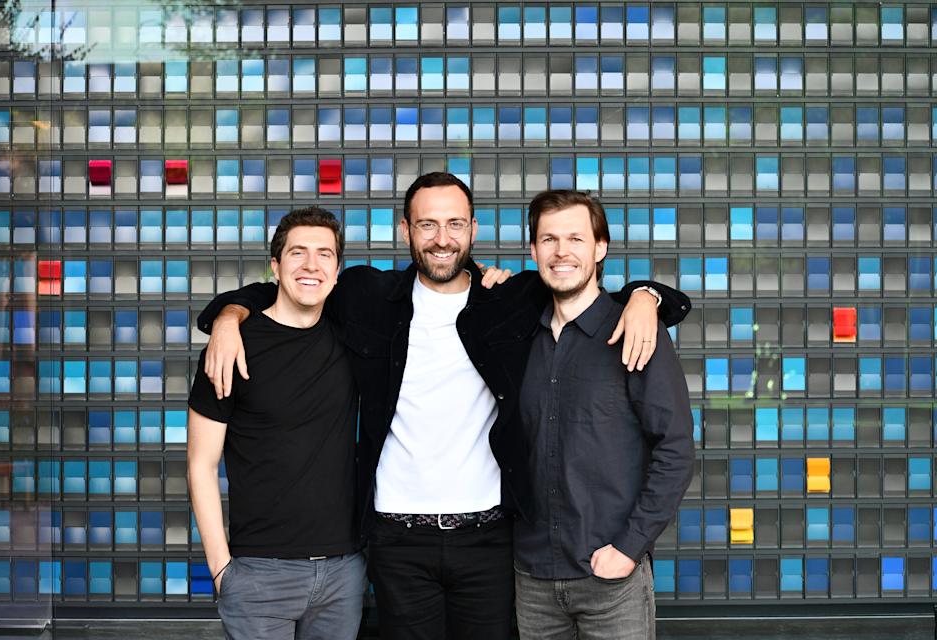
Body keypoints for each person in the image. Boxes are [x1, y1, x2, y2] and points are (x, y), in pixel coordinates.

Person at [197, 173, 692, 640]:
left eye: (455, 224)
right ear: (406, 230)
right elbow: (296, 285)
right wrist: (228, 315)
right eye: (427, 224)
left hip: (489, 537)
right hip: (397, 538)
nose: (441, 239)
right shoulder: (367, 296)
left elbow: (585, 288)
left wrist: (647, 297)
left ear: (473, 229)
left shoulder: (511, 298)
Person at [513, 191, 695, 640]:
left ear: (600, 248)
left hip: (612, 580)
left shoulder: (636, 331)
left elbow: (674, 450)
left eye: (576, 238)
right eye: (549, 239)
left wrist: (630, 548)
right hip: (531, 578)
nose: (562, 252)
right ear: (533, 250)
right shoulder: (516, 337)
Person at [187, 207, 367, 640]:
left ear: (337, 271)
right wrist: (221, 570)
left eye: (324, 254)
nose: (311, 265)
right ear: (276, 265)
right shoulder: (232, 348)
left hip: (343, 573)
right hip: (258, 575)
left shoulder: (353, 336)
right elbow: (200, 464)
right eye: (297, 253)